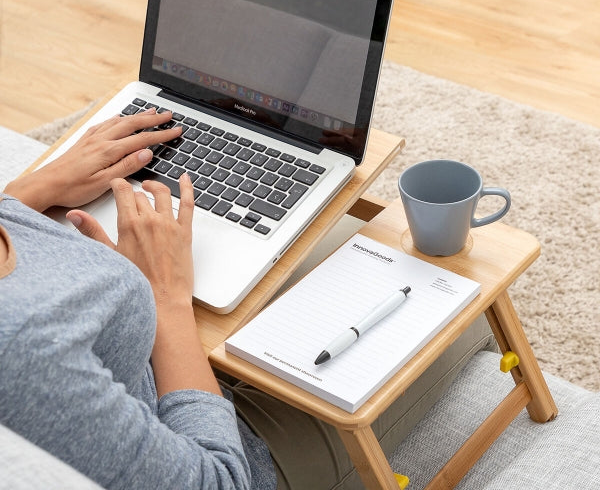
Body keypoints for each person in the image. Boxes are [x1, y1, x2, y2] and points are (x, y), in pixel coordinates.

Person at [0, 109, 496, 489]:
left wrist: (24, 195)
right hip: (232, 447)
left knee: (333, 233)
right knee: (457, 293)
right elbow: (221, 479)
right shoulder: (25, 355)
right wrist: (168, 299)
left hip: (138, 370)